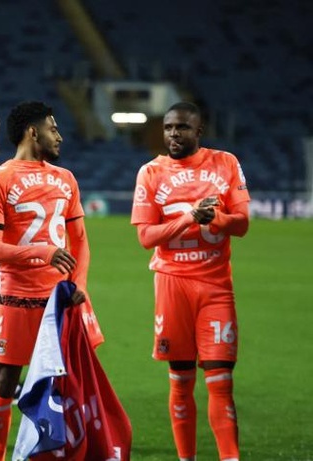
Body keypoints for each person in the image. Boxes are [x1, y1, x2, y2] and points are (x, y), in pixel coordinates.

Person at [131, 102, 249, 461]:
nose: (173, 134)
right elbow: (146, 237)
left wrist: (216, 219)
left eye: (181, 128)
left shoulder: (226, 163)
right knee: (181, 380)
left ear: (198, 131)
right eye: (168, 128)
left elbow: (242, 224)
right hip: (172, 286)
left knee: (220, 380)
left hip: (215, 287)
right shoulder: (151, 172)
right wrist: (189, 220)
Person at [0, 101, 91, 461]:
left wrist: (81, 283)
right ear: (32, 132)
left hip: (60, 300)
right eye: (53, 128)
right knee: (5, 383)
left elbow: (81, 241)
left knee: (68, 384)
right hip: (17, 298)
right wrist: (42, 252)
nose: (59, 135)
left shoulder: (66, 178)